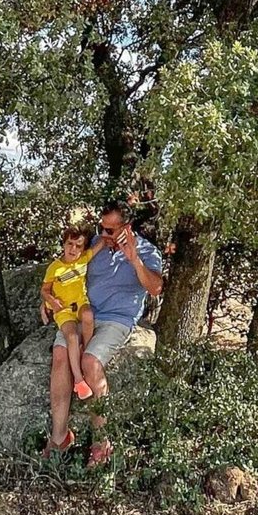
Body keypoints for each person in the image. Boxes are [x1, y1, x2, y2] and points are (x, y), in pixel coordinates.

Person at [45, 200, 164, 467]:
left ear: (127, 227)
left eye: (111, 230)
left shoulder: (147, 251)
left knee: (90, 362)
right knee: (61, 353)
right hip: (82, 313)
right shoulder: (94, 246)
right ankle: (59, 438)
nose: (105, 234)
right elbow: (66, 270)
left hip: (116, 319)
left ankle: (102, 443)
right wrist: (48, 297)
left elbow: (155, 288)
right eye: (102, 228)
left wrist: (134, 260)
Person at [40, 217, 98, 403]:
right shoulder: (55, 268)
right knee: (71, 337)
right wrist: (51, 301)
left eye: (78, 246)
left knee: (88, 315)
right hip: (63, 310)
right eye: (70, 244)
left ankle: (85, 355)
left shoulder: (83, 259)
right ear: (64, 244)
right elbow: (45, 289)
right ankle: (79, 380)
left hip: (80, 303)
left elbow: (103, 243)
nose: (73, 249)